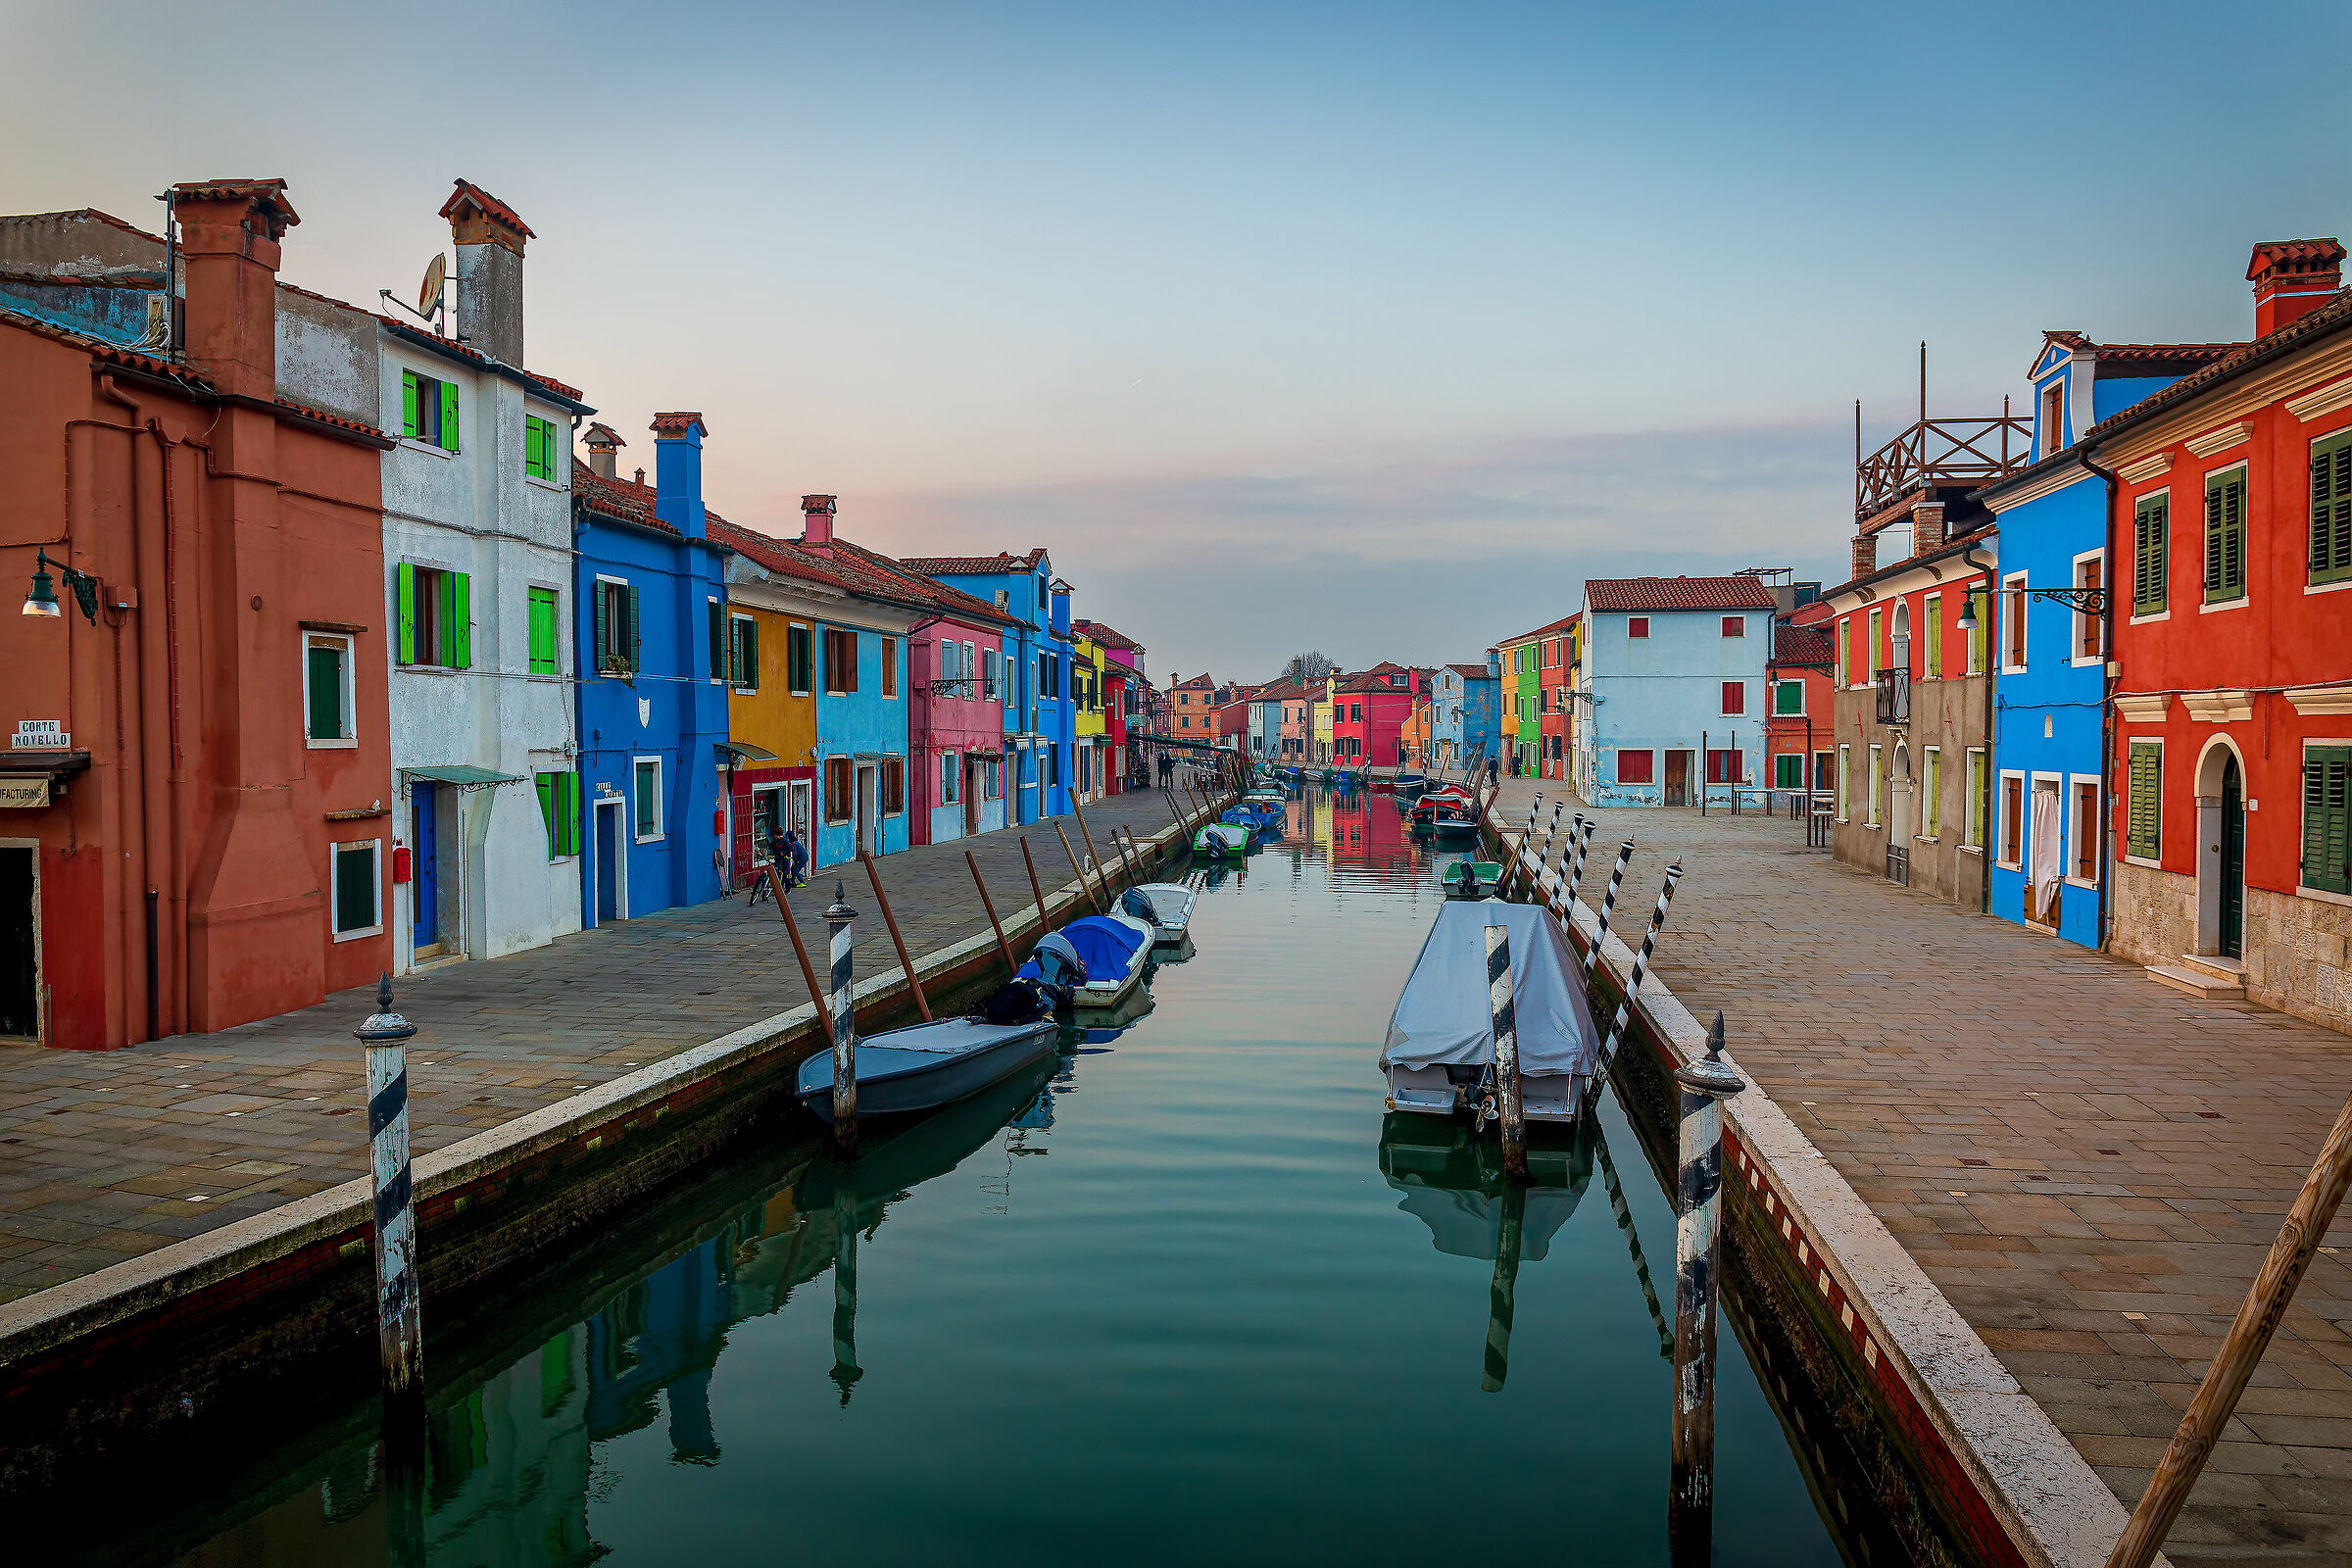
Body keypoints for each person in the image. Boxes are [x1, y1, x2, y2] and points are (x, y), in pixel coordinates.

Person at [780, 826, 809, 890]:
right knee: (793, 869)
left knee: (795, 870)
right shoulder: (795, 842)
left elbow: (794, 853)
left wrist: (795, 861)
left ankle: (802, 882)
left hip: (802, 858)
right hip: (803, 857)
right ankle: (792, 882)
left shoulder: (793, 843)